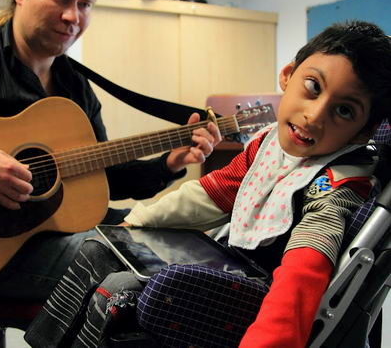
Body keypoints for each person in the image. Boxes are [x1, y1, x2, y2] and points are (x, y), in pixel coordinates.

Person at [24, 20, 391, 348]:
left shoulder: (338, 186)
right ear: (287, 75)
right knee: (97, 248)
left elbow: (301, 277)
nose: (315, 115)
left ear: (364, 131)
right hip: (233, 265)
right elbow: (210, 193)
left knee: (120, 290)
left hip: (264, 294)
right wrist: (138, 219)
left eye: (344, 111)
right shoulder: (267, 145)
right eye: (313, 87)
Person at [0, 0, 221, 302]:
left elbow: (99, 179)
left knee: (175, 246)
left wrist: (167, 163)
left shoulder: (75, 87)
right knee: (122, 270)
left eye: (84, 4)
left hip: (38, 236)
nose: (73, 16)